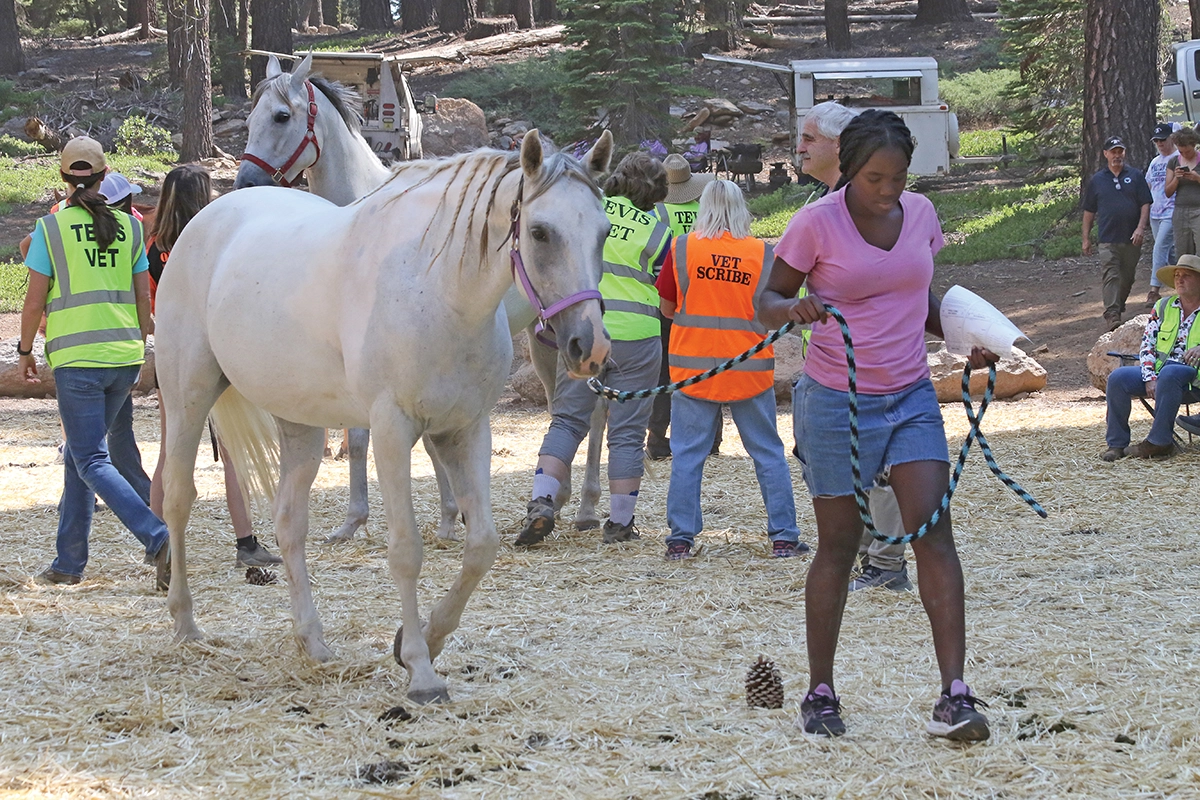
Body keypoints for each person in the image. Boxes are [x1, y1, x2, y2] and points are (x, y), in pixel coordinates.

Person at [758, 110, 994, 741]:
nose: (889, 189)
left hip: (911, 394)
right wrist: (795, 306)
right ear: (849, 170)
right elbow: (766, 303)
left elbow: (918, 295)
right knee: (839, 543)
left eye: (898, 177)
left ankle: (954, 695)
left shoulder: (920, 215)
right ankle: (821, 692)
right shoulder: (814, 224)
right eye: (874, 178)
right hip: (836, 399)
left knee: (932, 532)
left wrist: (969, 338)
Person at [17, 137, 170, 588]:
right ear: (105, 177)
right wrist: (141, 346)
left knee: (89, 456)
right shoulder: (131, 228)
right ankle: (68, 563)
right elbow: (143, 297)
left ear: (64, 179)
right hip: (124, 358)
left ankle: (157, 535)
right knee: (82, 460)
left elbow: (33, 301)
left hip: (78, 359)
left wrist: (25, 352)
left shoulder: (51, 229)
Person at [517, 152, 670, 547]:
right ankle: (619, 524)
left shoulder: (591, 209)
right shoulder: (659, 226)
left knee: (567, 420)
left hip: (588, 330)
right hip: (638, 335)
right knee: (627, 434)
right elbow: (664, 283)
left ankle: (542, 501)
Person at [656, 179, 807, 560]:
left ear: (703, 207)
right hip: (749, 369)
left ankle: (680, 539)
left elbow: (667, 309)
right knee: (768, 452)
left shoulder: (682, 248)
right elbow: (776, 313)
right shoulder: (762, 254)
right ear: (743, 209)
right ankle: (784, 537)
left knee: (688, 454)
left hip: (692, 370)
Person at [797, 100, 913, 592]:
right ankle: (866, 555)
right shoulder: (817, 210)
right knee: (818, 460)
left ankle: (886, 565)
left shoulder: (885, 209)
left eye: (809, 138)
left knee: (883, 469)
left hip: (878, 374)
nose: (798, 147)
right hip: (824, 371)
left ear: (840, 148)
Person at [146, 165, 281, 567]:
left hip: (174, 358)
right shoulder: (217, 242)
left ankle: (159, 543)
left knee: (169, 455)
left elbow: (153, 305)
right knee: (234, 452)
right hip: (221, 354)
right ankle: (246, 544)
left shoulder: (154, 247)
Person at [647, 153, 716, 461]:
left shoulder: (657, 212)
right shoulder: (704, 208)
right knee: (706, 370)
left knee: (663, 373)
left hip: (666, 297)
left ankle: (659, 442)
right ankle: (710, 440)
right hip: (704, 298)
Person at [1101, 254, 1200, 461]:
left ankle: (1160, 442)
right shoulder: (1163, 306)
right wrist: (1149, 377)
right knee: (1118, 378)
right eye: (1177, 275)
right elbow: (1148, 345)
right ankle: (1116, 445)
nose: (1180, 280)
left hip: (1193, 376)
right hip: (1161, 372)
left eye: (1186, 276)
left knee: (1170, 372)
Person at [1082, 136, 1152, 331]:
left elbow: (1145, 203)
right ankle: (1112, 314)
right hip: (1107, 239)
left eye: (1120, 151)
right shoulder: (1097, 180)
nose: (1117, 155)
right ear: (1105, 154)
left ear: (1124, 153)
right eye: (1113, 152)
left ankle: (1118, 305)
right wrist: (1086, 238)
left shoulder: (1136, 176)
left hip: (1132, 238)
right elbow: (1089, 211)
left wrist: (1140, 228)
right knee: (1111, 274)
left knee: (1127, 277)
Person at [1146, 123, 1178, 307]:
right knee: (1170, 252)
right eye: (1156, 141)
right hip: (1155, 212)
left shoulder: (1177, 158)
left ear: (1171, 138)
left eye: (1163, 140)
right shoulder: (1155, 162)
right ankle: (1190, 280)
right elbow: (1148, 185)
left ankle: (1153, 291)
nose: (1160, 143)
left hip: (1171, 211)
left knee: (1159, 247)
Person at [1165, 127, 1200, 260]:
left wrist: (1197, 178)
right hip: (1180, 210)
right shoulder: (1173, 162)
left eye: (1188, 151)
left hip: (1198, 209)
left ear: (1194, 145)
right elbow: (1167, 192)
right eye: (1181, 151)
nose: (1185, 154)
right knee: (1183, 252)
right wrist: (1177, 178)